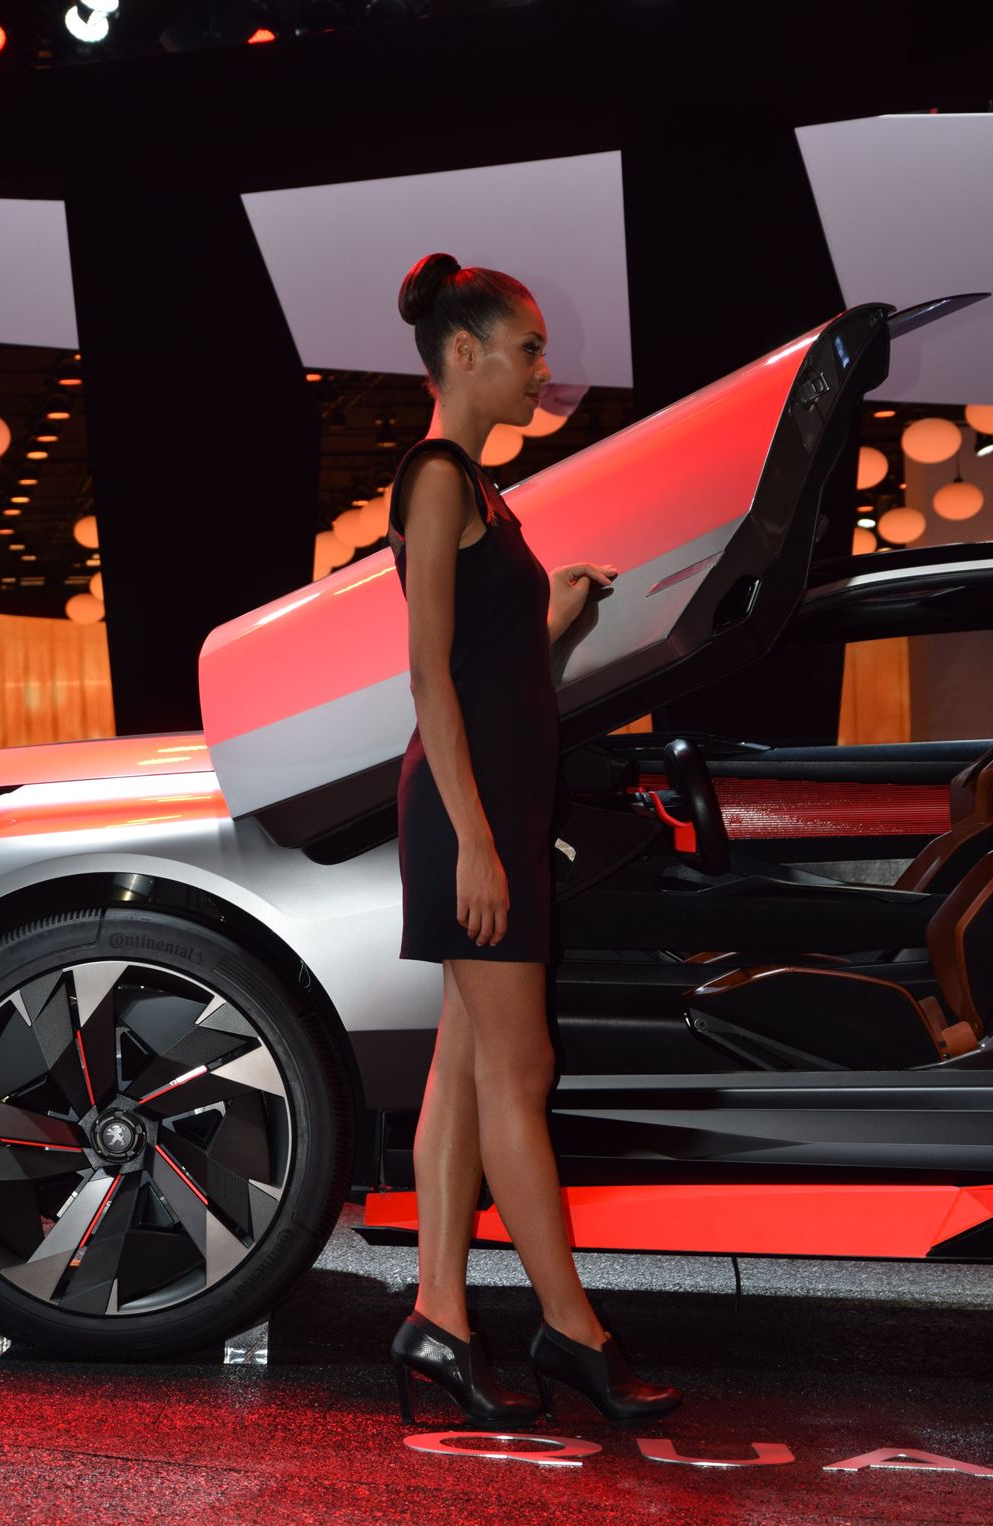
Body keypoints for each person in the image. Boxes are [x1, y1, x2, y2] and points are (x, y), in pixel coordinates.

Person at [386, 251, 683, 1431]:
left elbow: (491, 672)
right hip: (468, 813)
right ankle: (572, 1331)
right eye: (528, 350)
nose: (540, 371)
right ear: (464, 354)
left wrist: (552, 613)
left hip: (495, 804)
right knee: (520, 1073)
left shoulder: (478, 488)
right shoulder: (435, 477)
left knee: (466, 1068)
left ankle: (438, 1320)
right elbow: (426, 679)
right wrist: (473, 841)